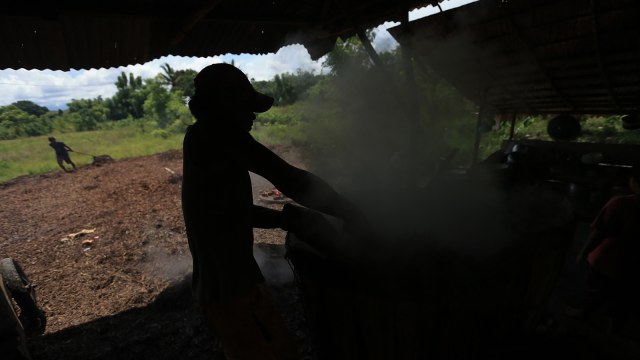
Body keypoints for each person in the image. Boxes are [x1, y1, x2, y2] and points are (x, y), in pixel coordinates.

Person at [181, 63, 365, 360]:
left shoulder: (202, 138)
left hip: (224, 290)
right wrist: (352, 213)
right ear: (225, 105)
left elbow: (226, 211)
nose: (253, 116)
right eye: (246, 108)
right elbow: (291, 180)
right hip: (232, 292)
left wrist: (284, 219)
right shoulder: (218, 134)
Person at [575, 166, 640, 332]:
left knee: (595, 291)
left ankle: (584, 317)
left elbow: (599, 232)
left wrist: (583, 253)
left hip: (606, 259)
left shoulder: (620, 202)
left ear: (633, 182)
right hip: (632, 264)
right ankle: (613, 328)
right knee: (623, 298)